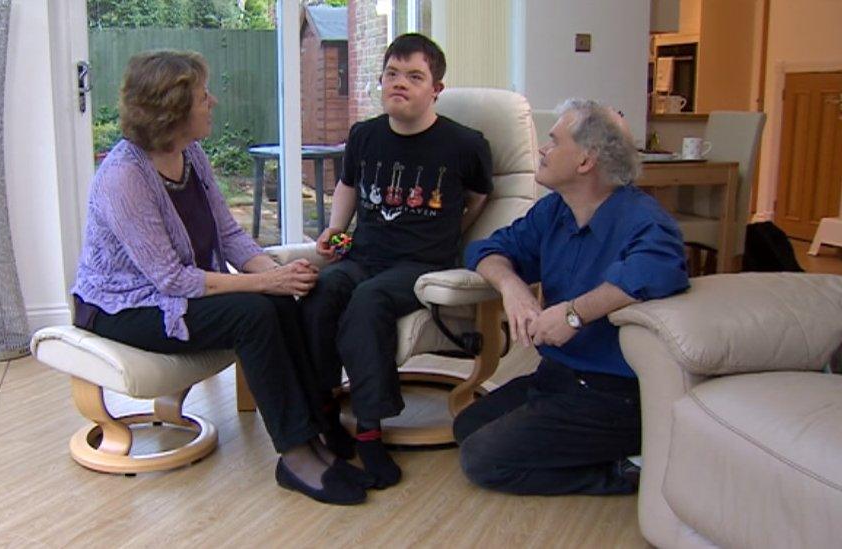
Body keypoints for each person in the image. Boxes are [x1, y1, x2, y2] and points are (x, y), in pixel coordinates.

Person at [71, 50, 371, 505]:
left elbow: (229, 236)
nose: (213, 102)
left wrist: (279, 274)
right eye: (202, 96)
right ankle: (295, 454)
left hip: (169, 293)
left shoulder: (190, 154)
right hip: (122, 308)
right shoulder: (123, 178)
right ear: (171, 109)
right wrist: (263, 284)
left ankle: (318, 433)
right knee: (254, 311)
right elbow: (171, 280)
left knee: (277, 299)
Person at [454, 99, 690, 495]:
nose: (543, 150)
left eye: (553, 140)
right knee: (467, 426)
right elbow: (485, 250)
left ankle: (624, 470)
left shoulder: (643, 219)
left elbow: (659, 270)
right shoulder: (554, 212)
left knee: (483, 459)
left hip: (615, 395)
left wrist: (575, 314)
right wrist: (512, 288)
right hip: (559, 377)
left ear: (585, 161)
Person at [301, 34, 493, 489]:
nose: (399, 84)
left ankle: (368, 431)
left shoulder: (465, 144)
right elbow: (348, 184)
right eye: (391, 74)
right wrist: (334, 229)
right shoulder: (364, 135)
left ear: (436, 89)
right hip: (365, 254)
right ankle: (326, 408)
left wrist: (451, 233)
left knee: (368, 302)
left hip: (422, 264)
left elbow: (479, 198)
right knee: (322, 291)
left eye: (414, 76)